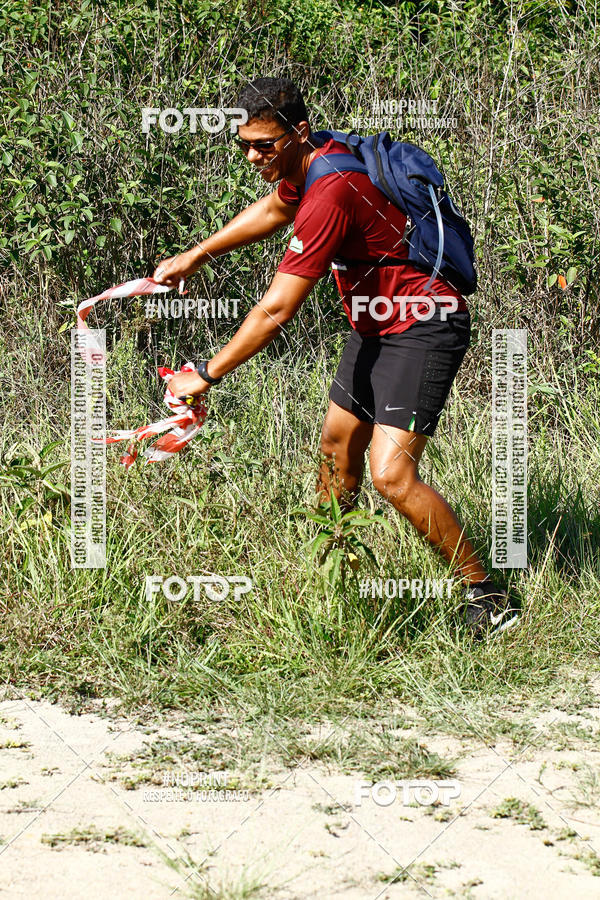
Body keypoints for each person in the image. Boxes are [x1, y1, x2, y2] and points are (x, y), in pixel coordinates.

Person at [153, 77, 519, 639]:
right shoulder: (311, 160)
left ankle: (487, 595)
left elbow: (276, 310)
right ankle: (334, 582)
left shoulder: (332, 191)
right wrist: (197, 254)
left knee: (391, 476)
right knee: (335, 453)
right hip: (374, 324)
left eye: (265, 145)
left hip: (423, 324)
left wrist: (206, 373)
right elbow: (275, 208)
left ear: (298, 132)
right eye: (244, 144)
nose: (253, 156)